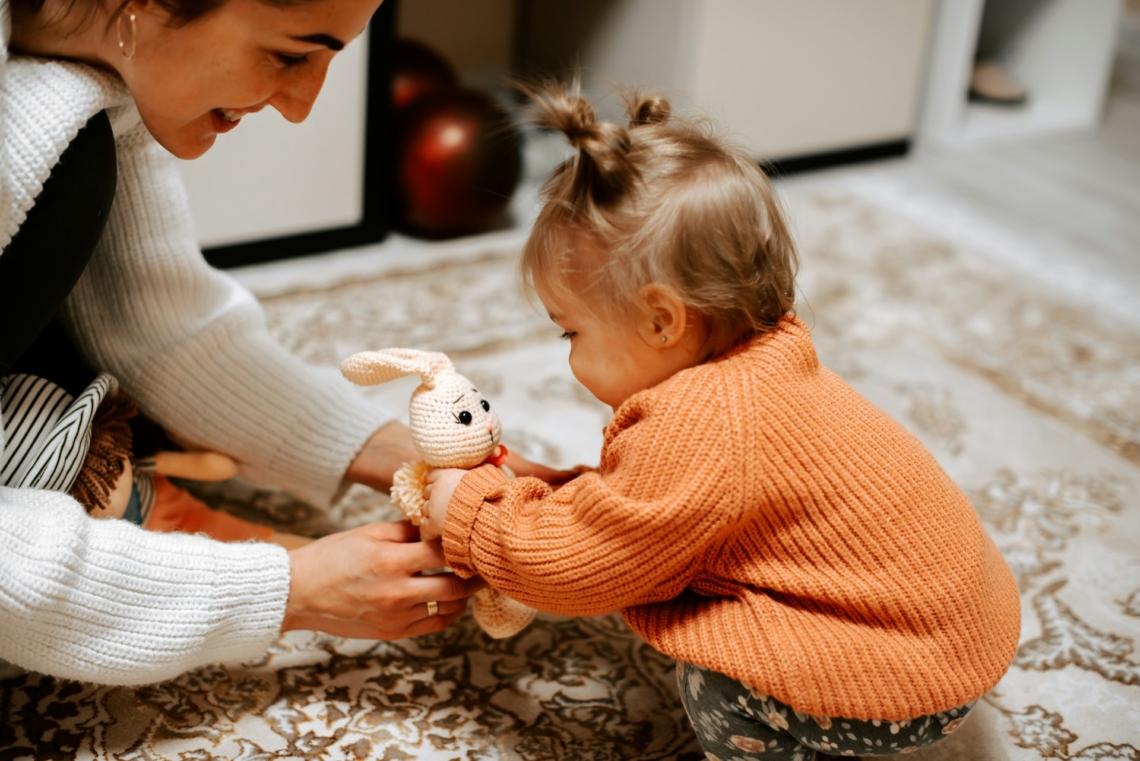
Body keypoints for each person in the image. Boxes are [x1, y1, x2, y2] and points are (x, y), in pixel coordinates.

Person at [420, 83, 1022, 759]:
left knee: (717, 683)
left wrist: (471, 514)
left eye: (571, 333)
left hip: (902, 674)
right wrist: (562, 493)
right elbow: (659, 509)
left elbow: (584, 566)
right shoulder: (768, 362)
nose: (568, 356)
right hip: (955, 632)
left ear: (661, 319)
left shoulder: (701, 424)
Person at [0, 0, 559, 685]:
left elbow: (162, 330)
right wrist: (291, 590)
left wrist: (409, 457)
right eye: (292, 55)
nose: (301, 107)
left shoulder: (107, 55)